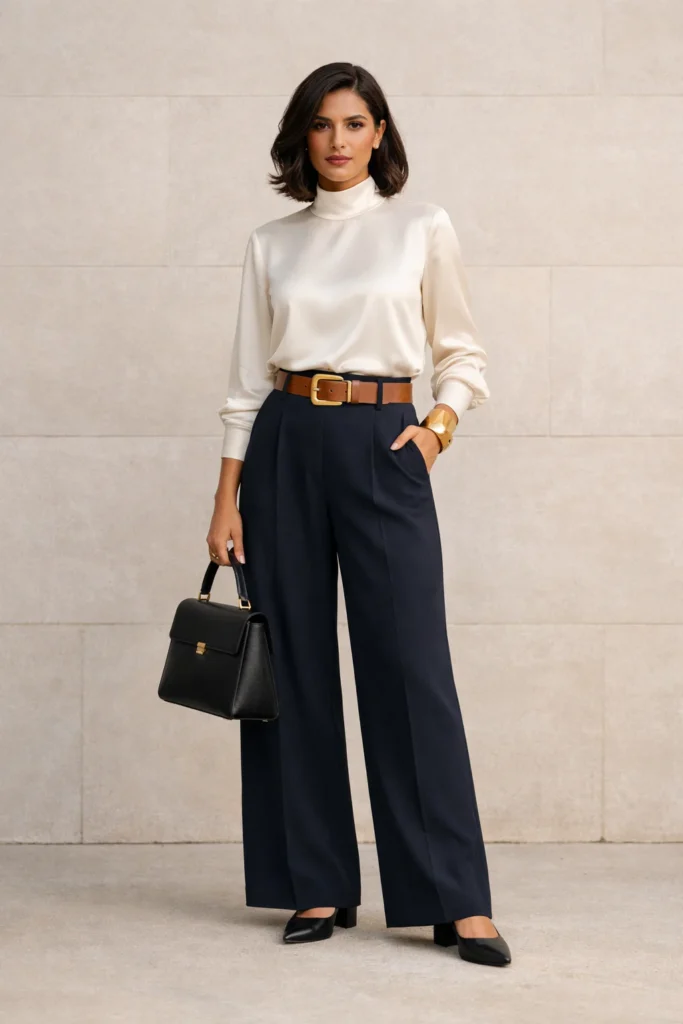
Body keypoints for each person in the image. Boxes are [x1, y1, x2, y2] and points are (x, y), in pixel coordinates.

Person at [206, 61, 511, 968]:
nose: (338, 140)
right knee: (290, 668)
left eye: (355, 123)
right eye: (321, 125)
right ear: (301, 138)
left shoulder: (421, 226)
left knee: (409, 668)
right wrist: (225, 497)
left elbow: (462, 352)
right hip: (284, 446)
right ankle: (318, 883)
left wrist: (434, 431)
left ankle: (454, 897)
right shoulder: (271, 242)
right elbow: (242, 382)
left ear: (380, 133)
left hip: (385, 440)